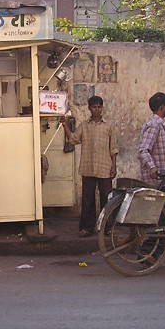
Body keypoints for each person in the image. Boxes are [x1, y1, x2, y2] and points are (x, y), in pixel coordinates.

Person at [61, 95, 117, 236]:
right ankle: (87, 228)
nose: (97, 110)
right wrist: (65, 125)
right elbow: (73, 139)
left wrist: (114, 166)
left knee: (107, 199)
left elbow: (113, 148)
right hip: (88, 167)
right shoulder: (84, 126)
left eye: (99, 107)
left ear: (102, 108)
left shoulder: (108, 126)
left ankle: (107, 228)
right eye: (94, 107)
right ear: (89, 108)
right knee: (88, 199)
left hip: (105, 167)